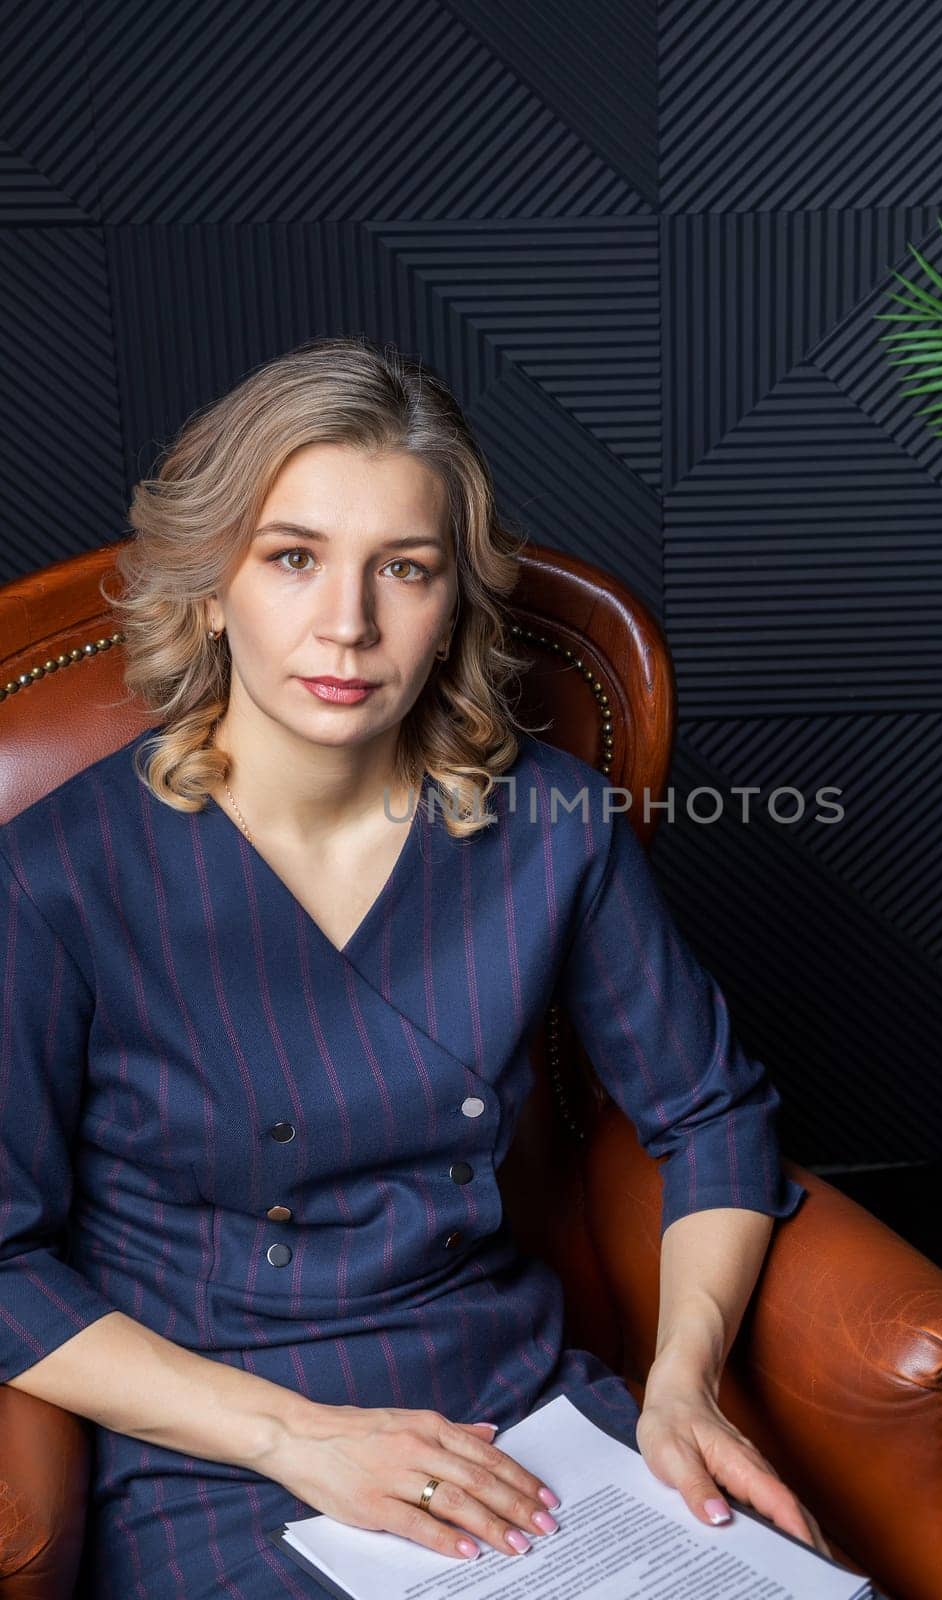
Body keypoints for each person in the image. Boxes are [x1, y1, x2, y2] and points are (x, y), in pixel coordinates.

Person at [0, 335, 827, 1596]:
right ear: (211, 584)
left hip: (515, 1411)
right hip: (219, 1447)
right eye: (293, 558)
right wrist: (297, 1437)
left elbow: (709, 1114)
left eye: (406, 568)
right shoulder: (57, 872)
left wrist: (680, 1384)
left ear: (455, 607)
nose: (349, 623)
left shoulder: (548, 824)